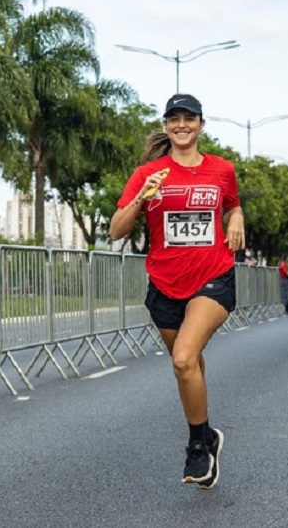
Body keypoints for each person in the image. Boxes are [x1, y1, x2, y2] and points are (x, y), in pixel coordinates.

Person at [109, 94, 243, 489]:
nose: (181, 125)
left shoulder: (222, 169)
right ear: (166, 126)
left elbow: (232, 204)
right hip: (165, 284)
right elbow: (117, 229)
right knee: (192, 364)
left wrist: (236, 220)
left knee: (184, 360)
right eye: (174, 119)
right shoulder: (148, 173)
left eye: (189, 118)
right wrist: (141, 197)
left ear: (202, 124)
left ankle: (196, 446)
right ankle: (209, 436)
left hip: (212, 277)